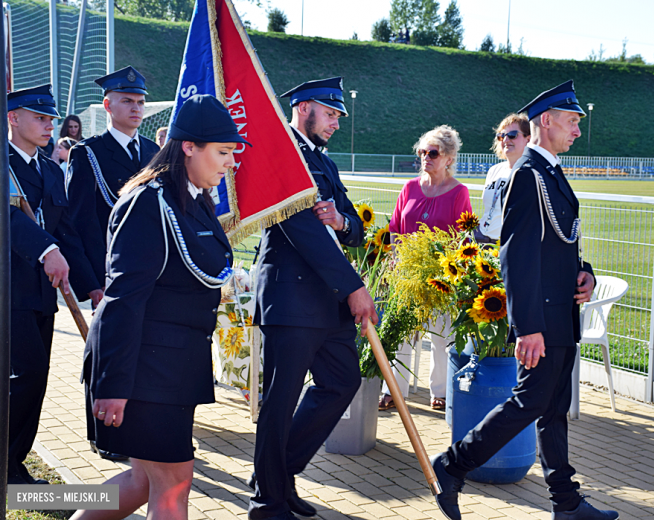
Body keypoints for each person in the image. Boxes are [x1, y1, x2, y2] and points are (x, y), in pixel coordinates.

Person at [431, 81, 619, 520]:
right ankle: (452, 464)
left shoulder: (549, 171)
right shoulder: (529, 174)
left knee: (551, 409)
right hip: (543, 319)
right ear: (546, 121)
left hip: (560, 311)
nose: (576, 131)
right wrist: (527, 326)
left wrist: (585, 274)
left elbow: (558, 244)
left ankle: (565, 502)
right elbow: (515, 256)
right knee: (530, 402)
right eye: (571, 122)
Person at [70, 94, 246, 520]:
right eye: (222, 152)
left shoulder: (192, 195)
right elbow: (123, 298)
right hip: (143, 370)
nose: (229, 163)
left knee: (143, 481)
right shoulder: (148, 201)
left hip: (171, 365)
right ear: (188, 147)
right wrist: (113, 384)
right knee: (173, 484)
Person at [248, 77, 378, 520]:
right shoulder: (281, 153)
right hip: (291, 296)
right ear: (304, 107)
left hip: (326, 300)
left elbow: (355, 230)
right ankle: (267, 500)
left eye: (339, 115)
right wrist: (355, 288)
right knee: (281, 399)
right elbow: (301, 231)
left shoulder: (323, 161)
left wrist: (343, 220)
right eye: (331, 113)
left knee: (341, 382)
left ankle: (279, 473)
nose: (338, 122)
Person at [7, 84, 102, 485]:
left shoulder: (49, 169)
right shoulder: (3, 165)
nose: (49, 125)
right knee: (23, 376)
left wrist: (92, 286)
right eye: (39, 118)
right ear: (13, 118)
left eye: (50, 118)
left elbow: (68, 233)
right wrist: (46, 250)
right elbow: (9, 221)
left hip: (44, 294)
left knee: (37, 378)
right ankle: (7, 467)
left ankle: (13, 465)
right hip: (8, 292)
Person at [378, 125, 472, 412]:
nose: (425, 157)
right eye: (422, 152)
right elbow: (395, 228)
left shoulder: (459, 193)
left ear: (449, 158)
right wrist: (394, 260)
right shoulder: (408, 188)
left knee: (442, 338)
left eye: (433, 153)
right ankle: (394, 390)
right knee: (402, 335)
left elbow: (460, 237)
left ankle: (440, 393)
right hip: (406, 277)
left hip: (441, 278)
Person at [67, 66, 160, 313]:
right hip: (110, 272)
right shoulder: (87, 153)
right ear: (107, 106)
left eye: (140, 102)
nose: (136, 108)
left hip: (153, 270)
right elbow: (81, 222)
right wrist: (93, 282)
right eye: (127, 101)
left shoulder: (153, 152)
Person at [475, 113, 531, 244]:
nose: (505, 140)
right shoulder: (494, 170)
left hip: (510, 244)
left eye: (512, 135)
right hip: (482, 241)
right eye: (501, 136)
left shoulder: (531, 172)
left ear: (528, 139)